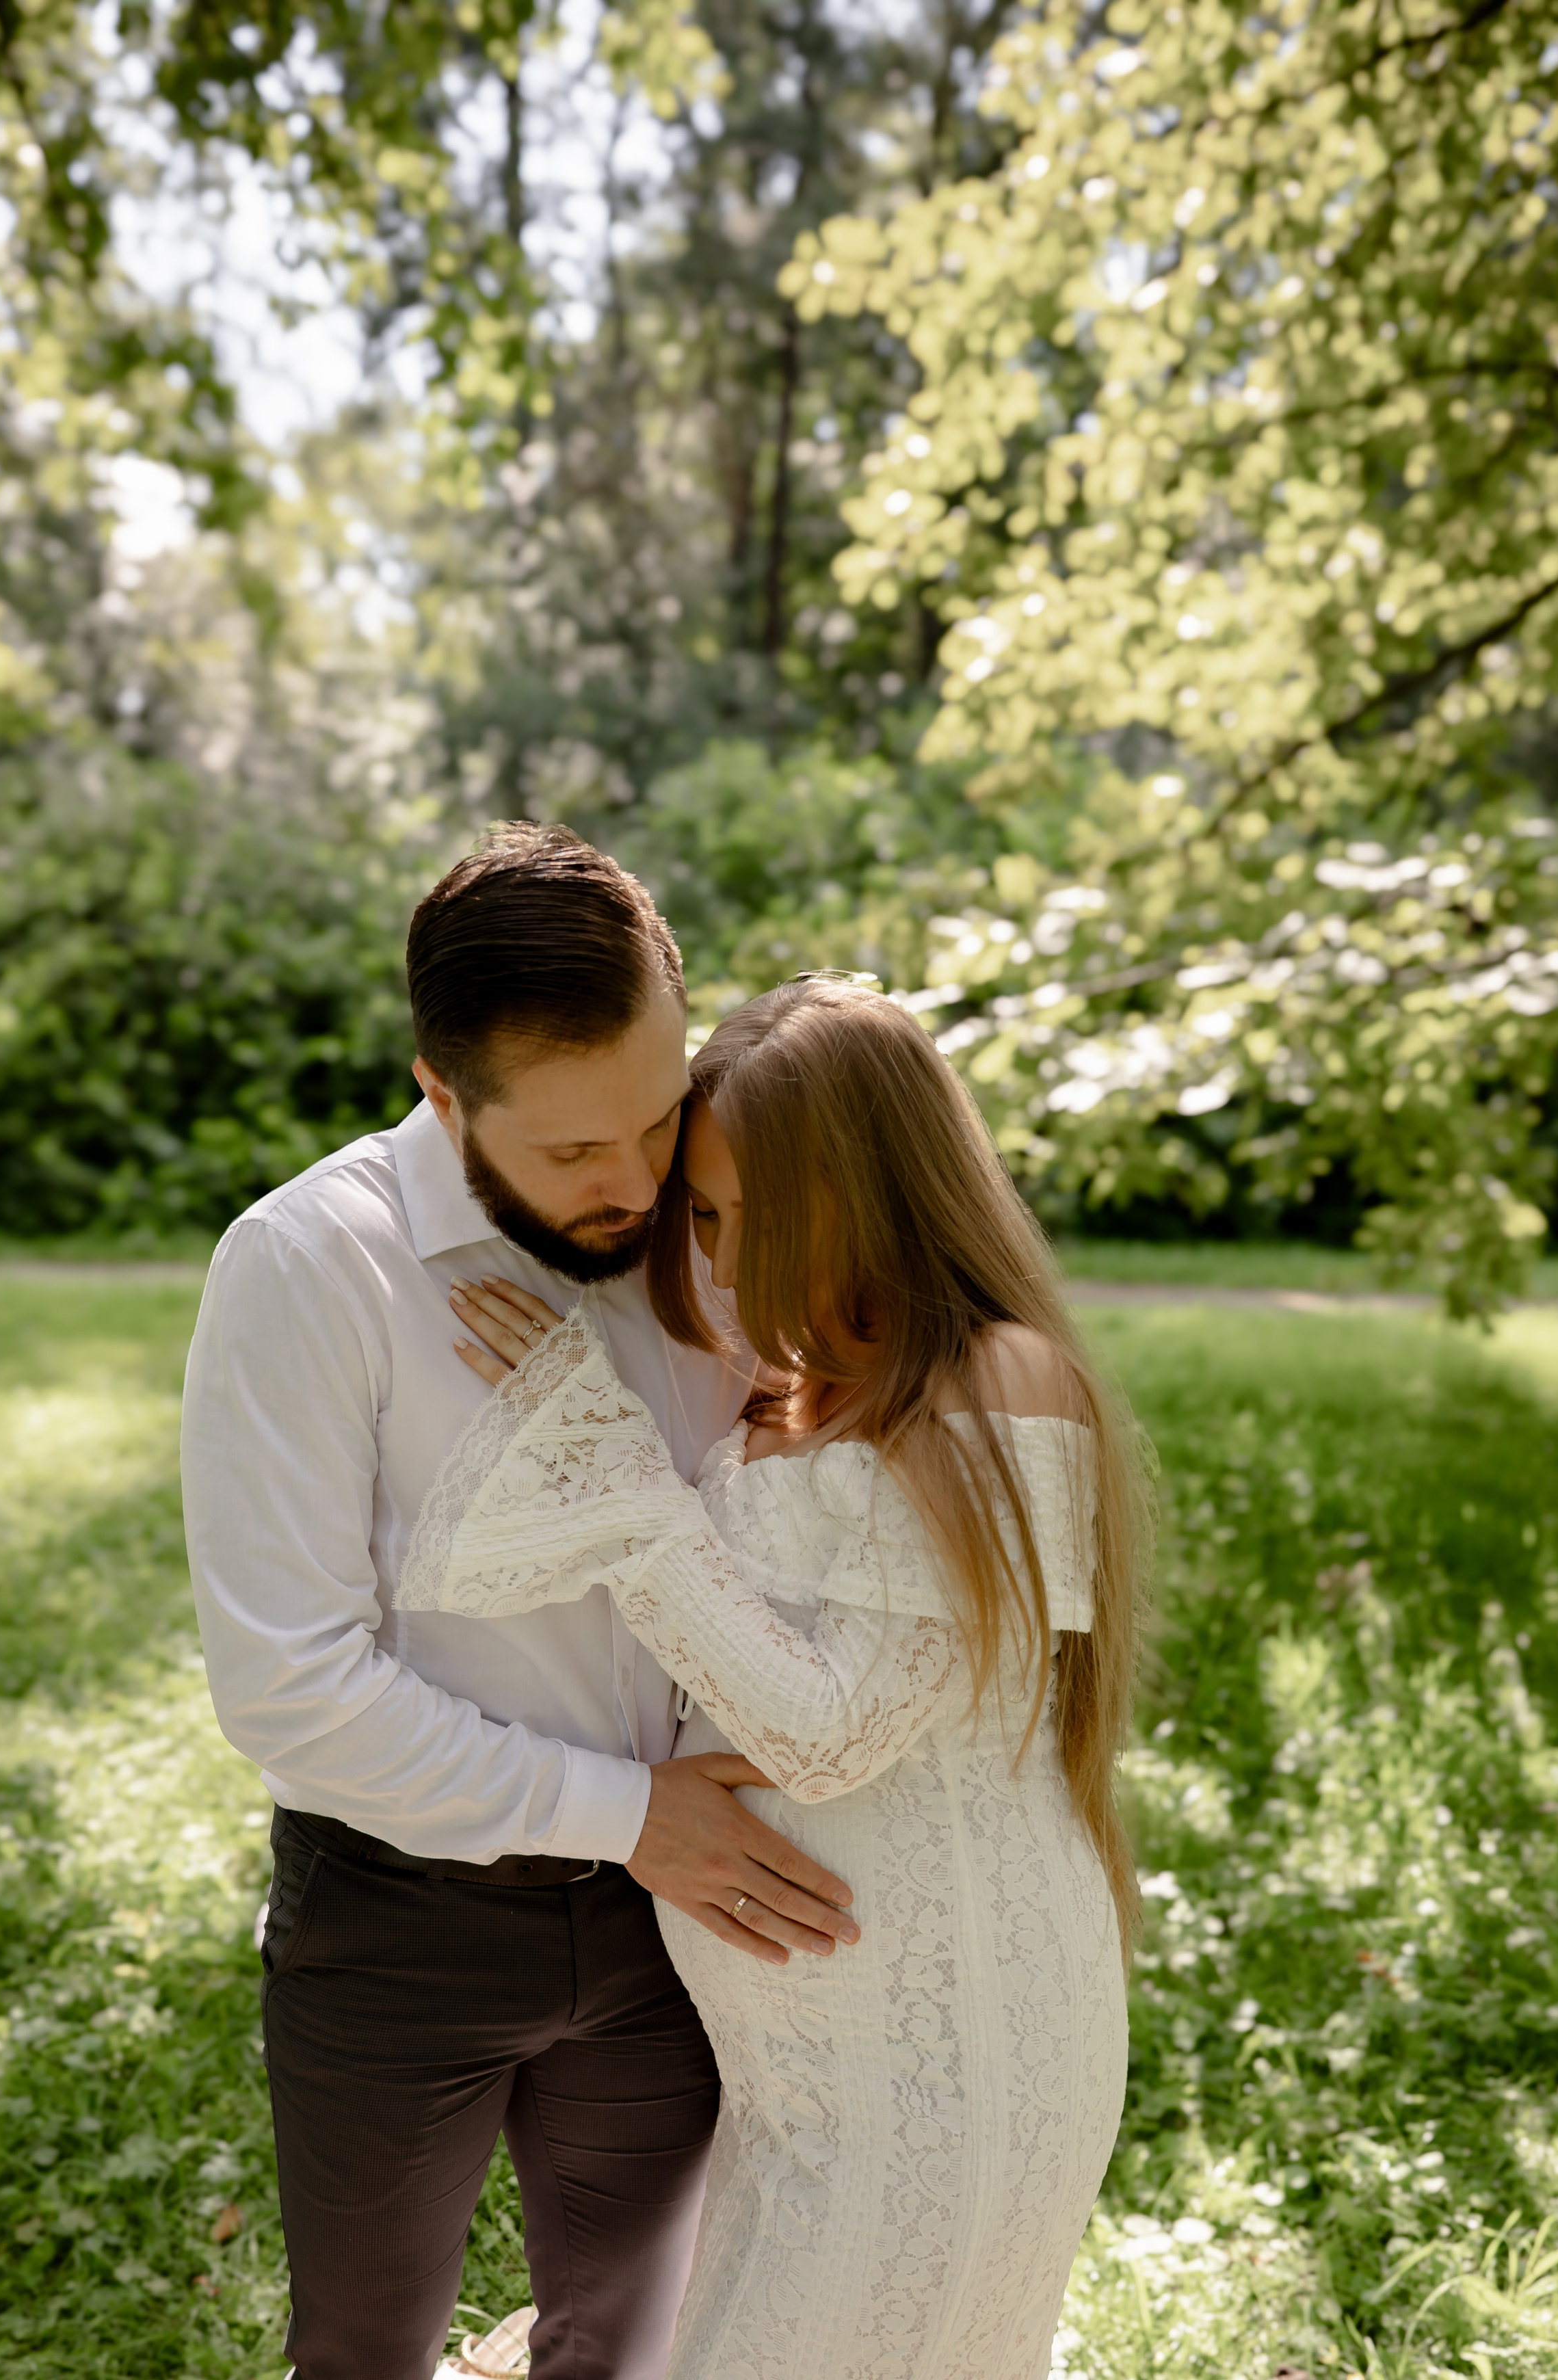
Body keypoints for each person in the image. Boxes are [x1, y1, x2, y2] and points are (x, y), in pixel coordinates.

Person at [179, 828, 861, 2380]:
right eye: (567, 1153)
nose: (632, 1186)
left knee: (629, 2343)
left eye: (656, 1114)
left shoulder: (715, 1213)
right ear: (438, 1090)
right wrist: (628, 1811)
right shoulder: (308, 1268)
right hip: (399, 1922)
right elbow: (289, 1687)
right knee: (366, 2345)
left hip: (674, 1928)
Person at [435, 973, 1148, 2380]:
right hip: (794, 2062)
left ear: (884, 1195)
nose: (722, 1261)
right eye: (705, 1214)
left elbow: (831, 1734)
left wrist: (619, 1486)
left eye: (769, 1218)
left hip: (954, 2046)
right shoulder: (791, 1382)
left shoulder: (1000, 1381)